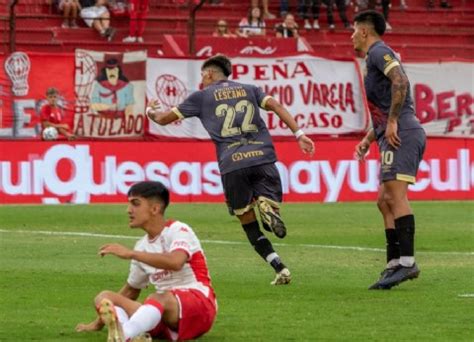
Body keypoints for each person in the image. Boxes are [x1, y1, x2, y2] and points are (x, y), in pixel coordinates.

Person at [146, 54, 315, 285]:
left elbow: (164, 119)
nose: (202, 80)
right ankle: (268, 210)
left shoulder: (201, 97)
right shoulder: (250, 89)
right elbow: (275, 105)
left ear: (209, 74)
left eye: (203, 75)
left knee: (248, 223)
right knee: (268, 204)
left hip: (232, 164)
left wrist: (150, 112)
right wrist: (300, 134)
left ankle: (279, 267)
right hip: (262, 157)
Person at [75, 181, 217, 341]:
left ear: (155, 209)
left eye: (135, 204)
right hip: (164, 318)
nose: (128, 210)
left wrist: (131, 254)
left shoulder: (178, 230)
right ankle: (128, 331)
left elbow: (176, 262)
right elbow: (131, 291)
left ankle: (125, 334)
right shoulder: (141, 246)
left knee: (158, 297)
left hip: (199, 306)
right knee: (105, 297)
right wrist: (97, 324)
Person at [351, 10, 426, 290]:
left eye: (353, 30)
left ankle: (407, 263)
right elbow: (384, 107)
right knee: (383, 200)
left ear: (364, 32)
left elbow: (400, 82)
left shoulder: (378, 52)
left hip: (402, 132)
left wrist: (393, 121)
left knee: (394, 196)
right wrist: (369, 139)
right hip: (390, 132)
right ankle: (394, 262)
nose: (351, 36)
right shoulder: (375, 57)